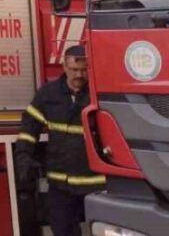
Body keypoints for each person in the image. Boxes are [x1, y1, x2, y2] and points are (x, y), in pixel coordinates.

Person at [14, 44, 104, 236]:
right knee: (63, 231)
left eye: (83, 70)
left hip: (95, 184)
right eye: (74, 70)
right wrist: (23, 156)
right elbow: (29, 127)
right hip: (61, 185)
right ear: (64, 66)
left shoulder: (100, 95)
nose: (79, 75)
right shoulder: (48, 95)